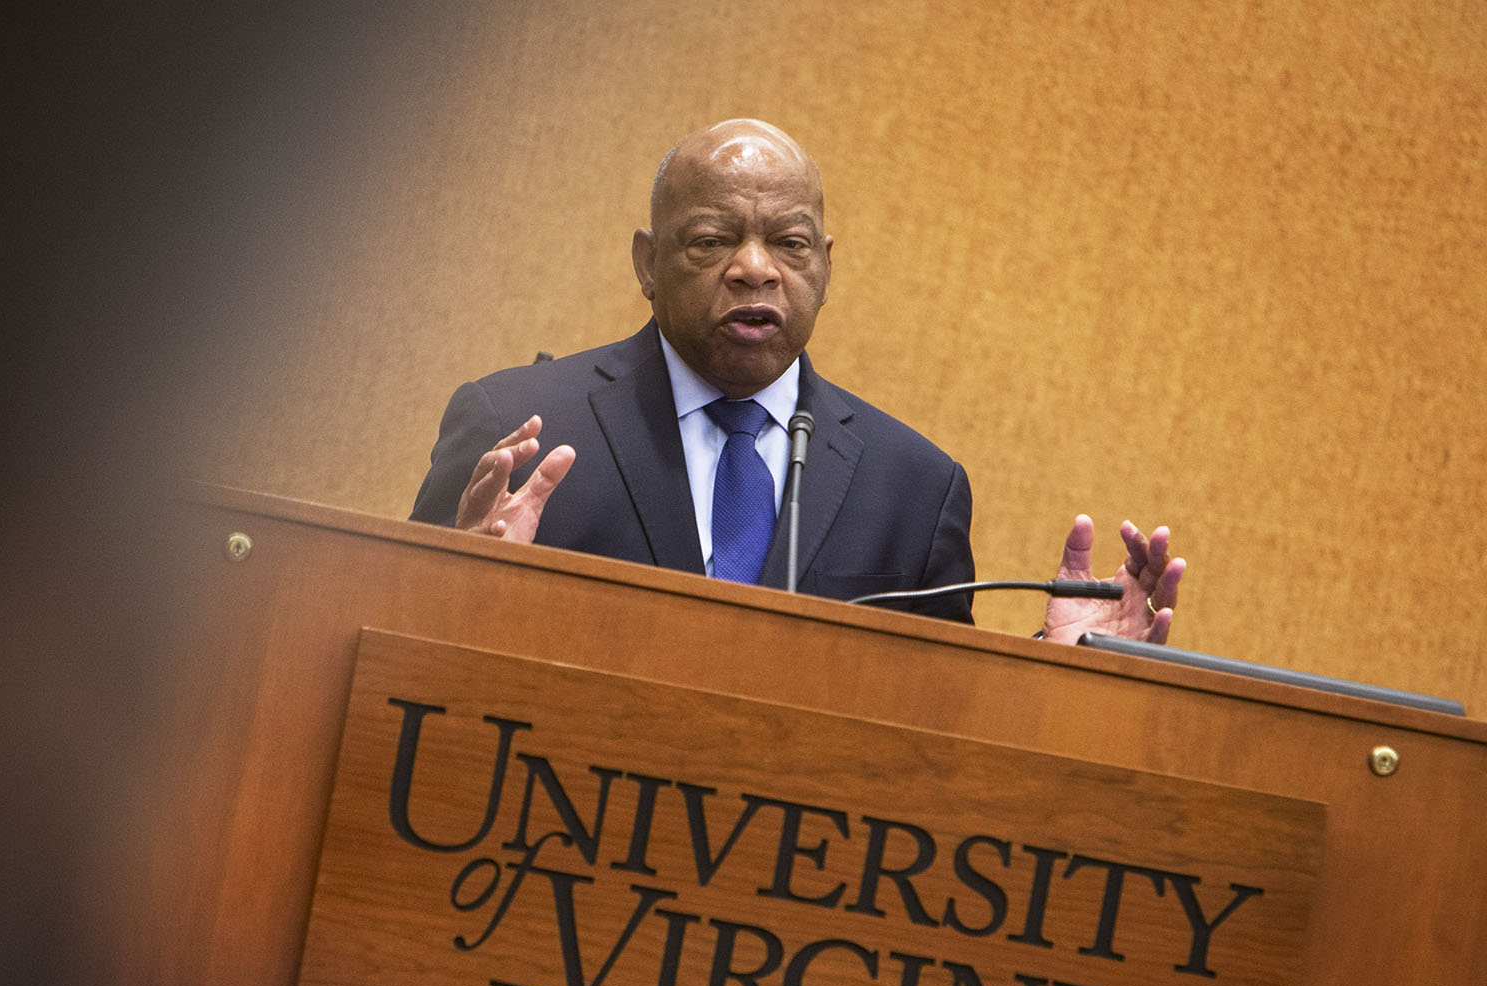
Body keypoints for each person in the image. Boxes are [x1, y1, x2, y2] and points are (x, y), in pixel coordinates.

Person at [410, 119, 1184, 643]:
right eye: (713, 239)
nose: (755, 268)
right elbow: (380, 658)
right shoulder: (520, 428)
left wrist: (1064, 679)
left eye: (789, 242)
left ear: (825, 265)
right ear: (648, 263)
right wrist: (445, 589)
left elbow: (937, 745)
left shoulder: (913, 491)